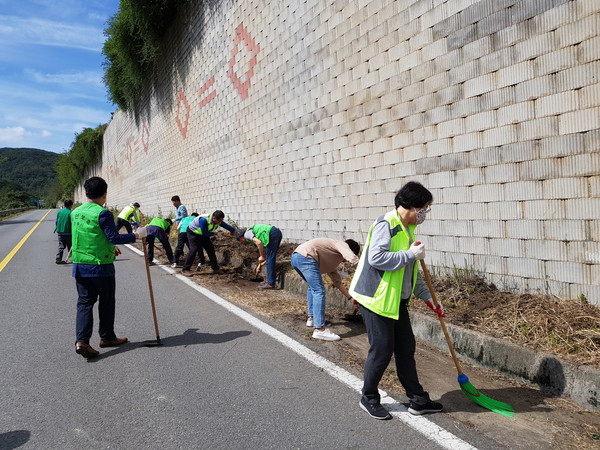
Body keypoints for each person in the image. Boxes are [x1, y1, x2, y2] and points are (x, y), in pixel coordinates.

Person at [349, 181, 445, 420]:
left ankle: (418, 400)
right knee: (381, 350)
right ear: (410, 206)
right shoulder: (387, 224)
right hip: (375, 300)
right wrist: (409, 254)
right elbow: (377, 257)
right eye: (424, 208)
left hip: (394, 301)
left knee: (405, 349)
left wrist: (428, 298)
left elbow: (411, 271)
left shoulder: (407, 229)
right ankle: (368, 397)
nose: (425, 213)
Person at [71, 177, 147, 358]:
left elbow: (91, 235)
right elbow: (113, 237)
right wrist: (136, 235)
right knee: (106, 301)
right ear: (104, 194)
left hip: (80, 265)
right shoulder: (102, 213)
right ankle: (107, 337)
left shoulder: (75, 212)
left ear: (86, 192)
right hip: (100, 266)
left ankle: (82, 341)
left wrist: (111, 247)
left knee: (85, 302)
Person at [291, 238, 361, 341]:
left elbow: (337, 282)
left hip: (297, 257)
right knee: (319, 290)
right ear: (352, 251)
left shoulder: (331, 257)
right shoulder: (341, 244)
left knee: (313, 288)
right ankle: (320, 330)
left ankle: (312, 318)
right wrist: (361, 265)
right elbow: (351, 256)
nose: (345, 261)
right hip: (306, 257)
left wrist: (351, 299)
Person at [182, 211, 235, 276]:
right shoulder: (203, 220)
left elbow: (228, 227)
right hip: (193, 233)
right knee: (194, 249)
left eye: (221, 220)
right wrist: (215, 233)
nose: (220, 222)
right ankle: (185, 269)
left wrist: (234, 232)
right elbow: (205, 233)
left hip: (203, 234)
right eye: (219, 221)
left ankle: (215, 268)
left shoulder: (218, 221)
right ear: (214, 218)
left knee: (210, 249)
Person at [236, 224, 282, 289]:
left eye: (240, 240)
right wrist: (259, 266)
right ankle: (269, 281)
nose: (242, 242)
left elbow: (259, 243)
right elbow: (264, 251)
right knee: (270, 258)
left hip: (271, 234)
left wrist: (262, 256)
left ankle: (270, 283)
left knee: (270, 259)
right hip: (276, 233)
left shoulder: (246, 235)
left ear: (241, 237)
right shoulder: (253, 234)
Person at [54, 199, 73, 264]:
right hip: (68, 232)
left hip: (60, 232)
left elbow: (57, 222)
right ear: (71, 205)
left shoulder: (59, 212)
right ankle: (73, 258)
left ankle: (58, 258)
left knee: (61, 246)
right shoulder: (71, 212)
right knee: (70, 246)